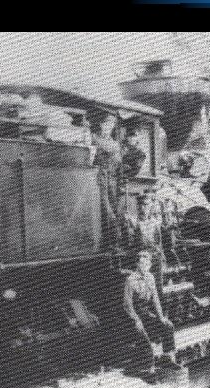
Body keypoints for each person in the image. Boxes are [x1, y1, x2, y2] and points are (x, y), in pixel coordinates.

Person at [123, 250, 176, 370]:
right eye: (142, 264)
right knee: (145, 338)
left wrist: (161, 317)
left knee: (168, 326)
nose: (145, 267)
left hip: (146, 314)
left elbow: (155, 299)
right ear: (137, 264)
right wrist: (136, 320)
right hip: (132, 317)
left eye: (147, 264)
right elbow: (127, 305)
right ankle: (149, 368)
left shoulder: (150, 277)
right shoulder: (130, 280)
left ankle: (167, 358)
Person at [91, 114, 124, 250]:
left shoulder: (114, 142)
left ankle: (116, 240)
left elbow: (118, 162)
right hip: (99, 177)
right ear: (101, 124)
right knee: (106, 209)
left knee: (117, 209)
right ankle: (109, 242)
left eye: (111, 125)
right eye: (106, 124)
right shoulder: (94, 138)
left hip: (112, 179)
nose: (108, 127)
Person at [128, 194, 166, 297]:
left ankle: (159, 296)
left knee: (159, 269)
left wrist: (161, 253)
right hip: (141, 253)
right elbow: (130, 241)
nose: (143, 207)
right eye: (140, 205)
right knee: (144, 267)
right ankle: (145, 300)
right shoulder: (134, 221)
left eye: (146, 205)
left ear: (150, 206)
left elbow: (159, 241)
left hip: (153, 253)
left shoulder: (154, 222)